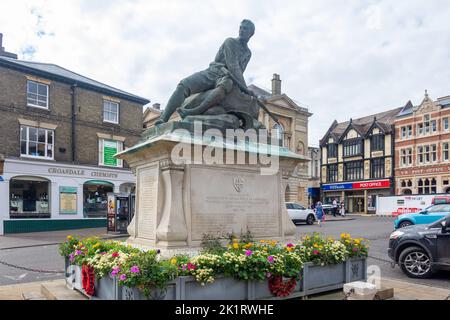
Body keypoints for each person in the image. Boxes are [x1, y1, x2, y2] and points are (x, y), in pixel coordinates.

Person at [155, 19, 256, 124]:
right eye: (241, 27)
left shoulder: (248, 53)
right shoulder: (230, 42)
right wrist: (246, 89)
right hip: (214, 71)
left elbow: (239, 71)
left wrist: (244, 90)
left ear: (251, 33)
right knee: (183, 85)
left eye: (245, 29)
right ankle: (163, 118)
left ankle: (196, 110)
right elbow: (233, 66)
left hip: (226, 77)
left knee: (227, 83)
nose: (241, 30)